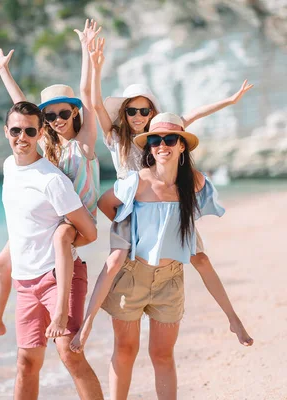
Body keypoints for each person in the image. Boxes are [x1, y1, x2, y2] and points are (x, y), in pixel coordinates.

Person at [70, 37, 253, 355]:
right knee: (114, 261)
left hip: (166, 204)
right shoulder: (118, 139)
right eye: (131, 111)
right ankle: (85, 327)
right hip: (132, 205)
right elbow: (95, 104)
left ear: (153, 113)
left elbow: (193, 114)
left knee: (201, 258)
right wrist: (94, 64)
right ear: (124, 115)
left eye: (144, 110)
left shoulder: (161, 135)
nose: (138, 115)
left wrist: (231, 101)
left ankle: (233, 319)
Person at [0, 19, 101, 352]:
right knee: (1, 264)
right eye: (51, 115)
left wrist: (87, 53)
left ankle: (59, 313)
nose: (58, 119)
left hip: (76, 221)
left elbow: (87, 96)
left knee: (61, 237)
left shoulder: (83, 145)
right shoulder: (48, 144)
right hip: (52, 220)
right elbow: (21, 110)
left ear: (75, 114)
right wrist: (3, 71)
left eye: (64, 113)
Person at [89, 112, 230, 399]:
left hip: (170, 281)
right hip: (131, 277)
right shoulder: (137, 180)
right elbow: (106, 204)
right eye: (154, 140)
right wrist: (126, 230)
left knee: (163, 355)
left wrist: (234, 320)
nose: (161, 145)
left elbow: (193, 242)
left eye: (169, 139)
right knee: (126, 351)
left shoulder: (195, 183)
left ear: (182, 146)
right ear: (149, 147)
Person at [0, 101, 103, 399]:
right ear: (6, 132)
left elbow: (91, 232)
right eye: (16, 130)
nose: (22, 137)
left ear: (40, 132)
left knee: (70, 354)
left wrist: (61, 241)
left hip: (59, 278)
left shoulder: (52, 180)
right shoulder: (8, 167)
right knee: (26, 361)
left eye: (30, 130)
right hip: (26, 281)